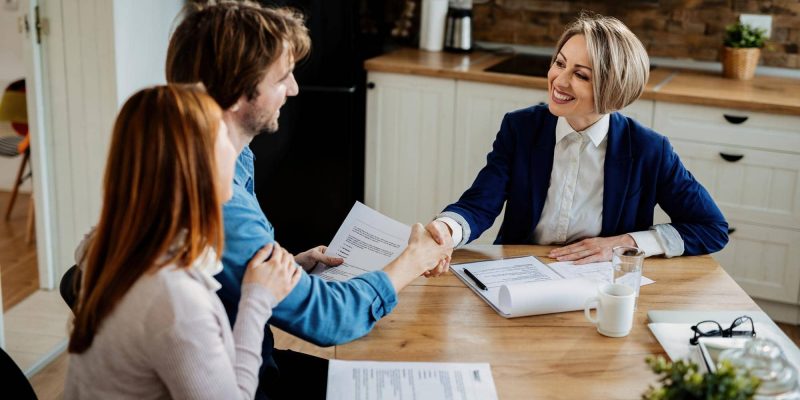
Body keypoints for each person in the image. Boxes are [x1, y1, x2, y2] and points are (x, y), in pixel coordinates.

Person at [165, 2, 452, 398]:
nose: (295, 88)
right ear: (235, 93)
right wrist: (411, 261)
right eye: (282, 77)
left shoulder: (228, 158)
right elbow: (330, 319)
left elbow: (228, 271)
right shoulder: (219, 201)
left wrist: (289, 266)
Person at [64, 85, 302, 399]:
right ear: (194, 168)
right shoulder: (173, 299)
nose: (237, 151)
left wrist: (284, 270)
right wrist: (256, 300)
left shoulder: (115, 244)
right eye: (224, 141)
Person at [430, 13, 728, 264]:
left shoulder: (649, 149)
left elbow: (712, 228)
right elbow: (480, 204)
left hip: (602, 283)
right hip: (520, 270)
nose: (559, 81)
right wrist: (446, 229)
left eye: (581, 75)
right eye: (560, 64)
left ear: (613, 88)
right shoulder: (520, 128)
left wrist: (624, 243)